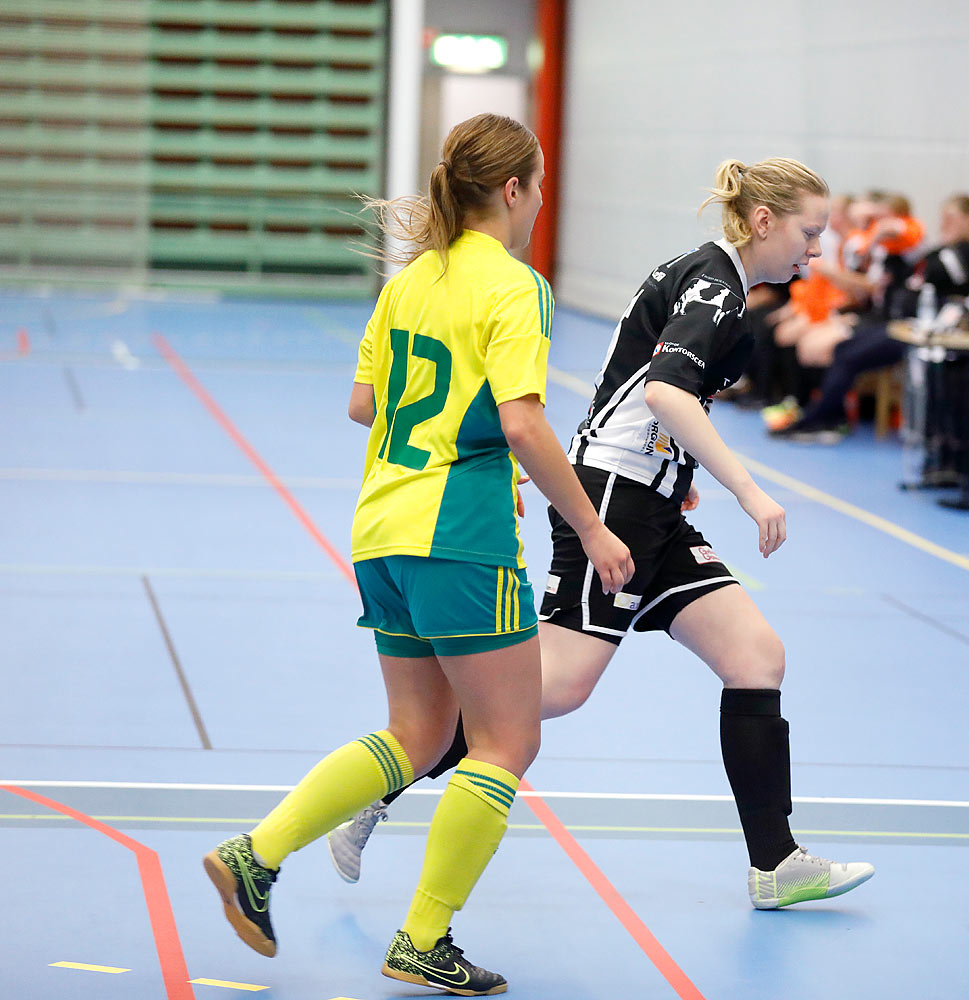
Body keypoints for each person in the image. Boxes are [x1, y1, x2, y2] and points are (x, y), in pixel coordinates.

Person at [330, 156, 877, 911]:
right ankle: (385, 781)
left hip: (650, 501)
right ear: (763, 222)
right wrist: (748, 491)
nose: (814, 251)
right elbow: (664, 391)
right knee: (547, 692)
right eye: (809, 233)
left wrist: (677, 481)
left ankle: (775, 862)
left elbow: (645, 400)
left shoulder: (715, 284)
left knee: (756, 656)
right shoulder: (714, 288)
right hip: (614, 503)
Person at [203, 113, 633, 997]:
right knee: (507, 740)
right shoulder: (515, 287)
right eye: (539, 183)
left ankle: (256, 855)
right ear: (513, 191)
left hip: (380, 529)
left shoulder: (410, 282)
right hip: (461, 535)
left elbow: (364, 404)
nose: (541, 199)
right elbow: (521, 420)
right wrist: (591, 525)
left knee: (419, 731)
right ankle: (424, 936)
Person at [767, 192, 969, 442]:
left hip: (918, 328)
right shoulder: (916, 249)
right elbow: (883, 267)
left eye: (953, 219)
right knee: (838, 349)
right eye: (945, 218)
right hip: (894, 320)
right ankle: (819, 413)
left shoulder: (966, 251)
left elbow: (932, 270)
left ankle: (824, 418)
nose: (946, 224)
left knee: (843, 353)